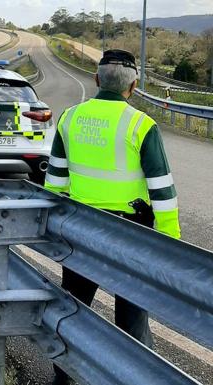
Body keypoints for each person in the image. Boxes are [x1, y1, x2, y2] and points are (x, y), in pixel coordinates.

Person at [44, 49, 181, 385]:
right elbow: (162, 193)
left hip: (79, 228)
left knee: (73, 310)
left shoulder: (69, 118)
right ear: (133, 86)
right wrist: (169, 246)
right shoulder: (141, 125)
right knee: (132, 321)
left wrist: (58, 230)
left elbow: (54, 185)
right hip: (129, 235)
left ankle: (64, 378)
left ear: (95, 80)